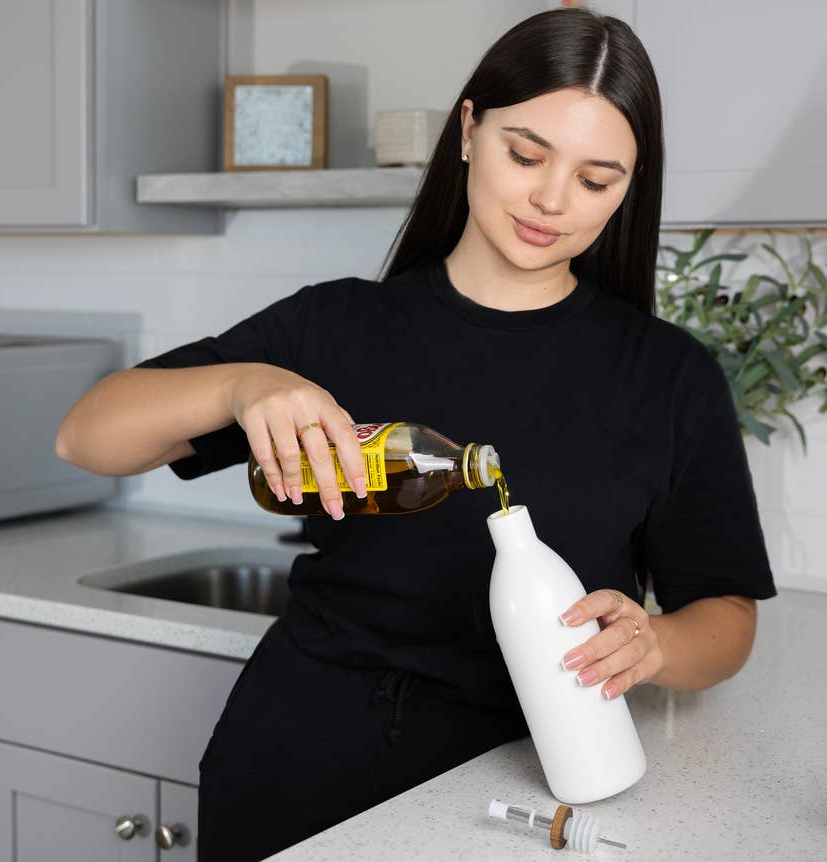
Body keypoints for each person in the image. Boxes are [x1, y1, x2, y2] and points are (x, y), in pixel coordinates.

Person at [56, 7, 777, 860]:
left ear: (631, 185)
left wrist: (655, 646)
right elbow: (87, 437)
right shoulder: (337, 326)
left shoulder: (665, 374)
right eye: (526, 153)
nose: (551, 200)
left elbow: (725, 617)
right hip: (293, 756)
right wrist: (244, 385)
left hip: (520, 777)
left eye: (596, 179)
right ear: (468, 130)